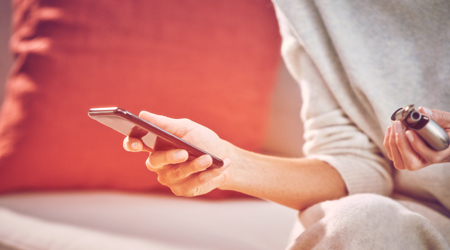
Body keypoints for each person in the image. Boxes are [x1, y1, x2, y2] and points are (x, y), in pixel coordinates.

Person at [124, 1, 450, 249]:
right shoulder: (306, 6)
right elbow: (358, 169)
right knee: (358, 222)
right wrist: (227, 163)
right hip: (414, 215)